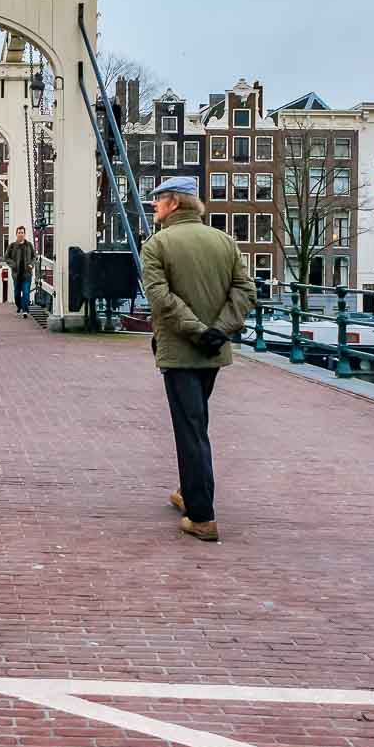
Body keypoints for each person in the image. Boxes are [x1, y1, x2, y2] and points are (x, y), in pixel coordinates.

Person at [139, 175, 252, 543]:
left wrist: (197, 332)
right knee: (196, 421)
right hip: (214, 352)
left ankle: (202, 516)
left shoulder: (157, 245)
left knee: (190, 431)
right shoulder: (224, 241)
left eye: (158, 200)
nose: (154, 206)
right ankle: (190, 491)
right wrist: (219, 330)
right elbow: (245, 290)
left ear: (174, 203)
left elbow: (161, 298)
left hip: (181, 352)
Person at [5, 227, 37, 314]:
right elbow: (6, 258)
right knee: (17, 294)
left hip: (27, 274)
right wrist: (13, 265)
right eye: (19, 232)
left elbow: (34, 257)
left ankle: (25, 310)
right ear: (16, 234)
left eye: (22, 232)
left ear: (24, 234)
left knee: (26, 292)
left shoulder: (29, 245)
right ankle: (19, 306)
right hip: (16, 274)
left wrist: (31, 264)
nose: (20, 234)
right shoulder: (12, 246)